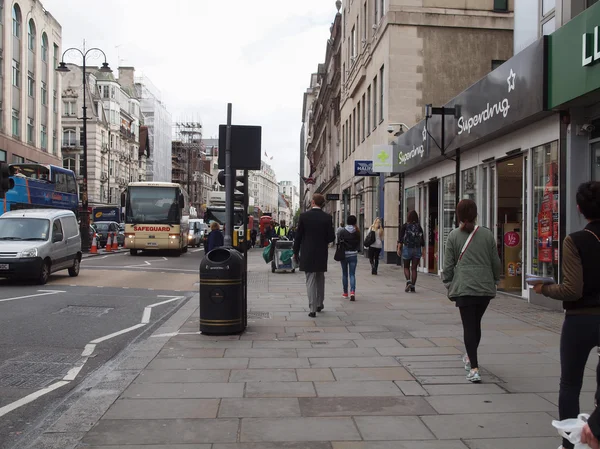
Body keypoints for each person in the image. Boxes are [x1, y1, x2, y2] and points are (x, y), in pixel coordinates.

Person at [533, 181, 600, 449]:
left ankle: (569, 443)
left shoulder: (575, 240)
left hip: (581, 320)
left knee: (570, 383)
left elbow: (573, 290)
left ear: (579, 208)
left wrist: (544, 289)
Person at [443, 199, 500, 383]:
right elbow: (495, 262)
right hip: (484, 288)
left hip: (464, 288)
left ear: (458, 215)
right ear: (475, 214)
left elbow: (448, 264)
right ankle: (469, 357)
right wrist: (495, 280)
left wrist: (449, 283)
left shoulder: (453, 236)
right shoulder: (487, 235)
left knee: (469, 326)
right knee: (476, 324)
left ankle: (474, 367)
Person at [293, 193, 335, 317]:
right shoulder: (327, 217)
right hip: (321, 252)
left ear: (312, 202)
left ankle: (312, 308)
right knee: (320, 278)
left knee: (310, 279)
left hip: (308, 252)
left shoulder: (304, 216)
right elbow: (331, 237)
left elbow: (298, 237)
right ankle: (319, 303)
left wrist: (295, 252)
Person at [397, 210, 425, 292]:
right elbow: (422, 240)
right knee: (414, 268)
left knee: (406, 267)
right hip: (417, 248)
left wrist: (399, 248)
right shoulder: (419, 227)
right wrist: (423, 250)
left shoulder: (405, 226)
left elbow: (401, 239)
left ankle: (408, 281)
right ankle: (413, 286)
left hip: (407, 248)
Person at [338, 215, 360, 301]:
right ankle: (352, 292)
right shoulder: (357, 231)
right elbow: (358, 243)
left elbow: (339, 242)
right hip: (353, 254)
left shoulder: (342, 231)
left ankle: (345, 293)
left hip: (344, 254)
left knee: (344, 274)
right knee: (352, 274)